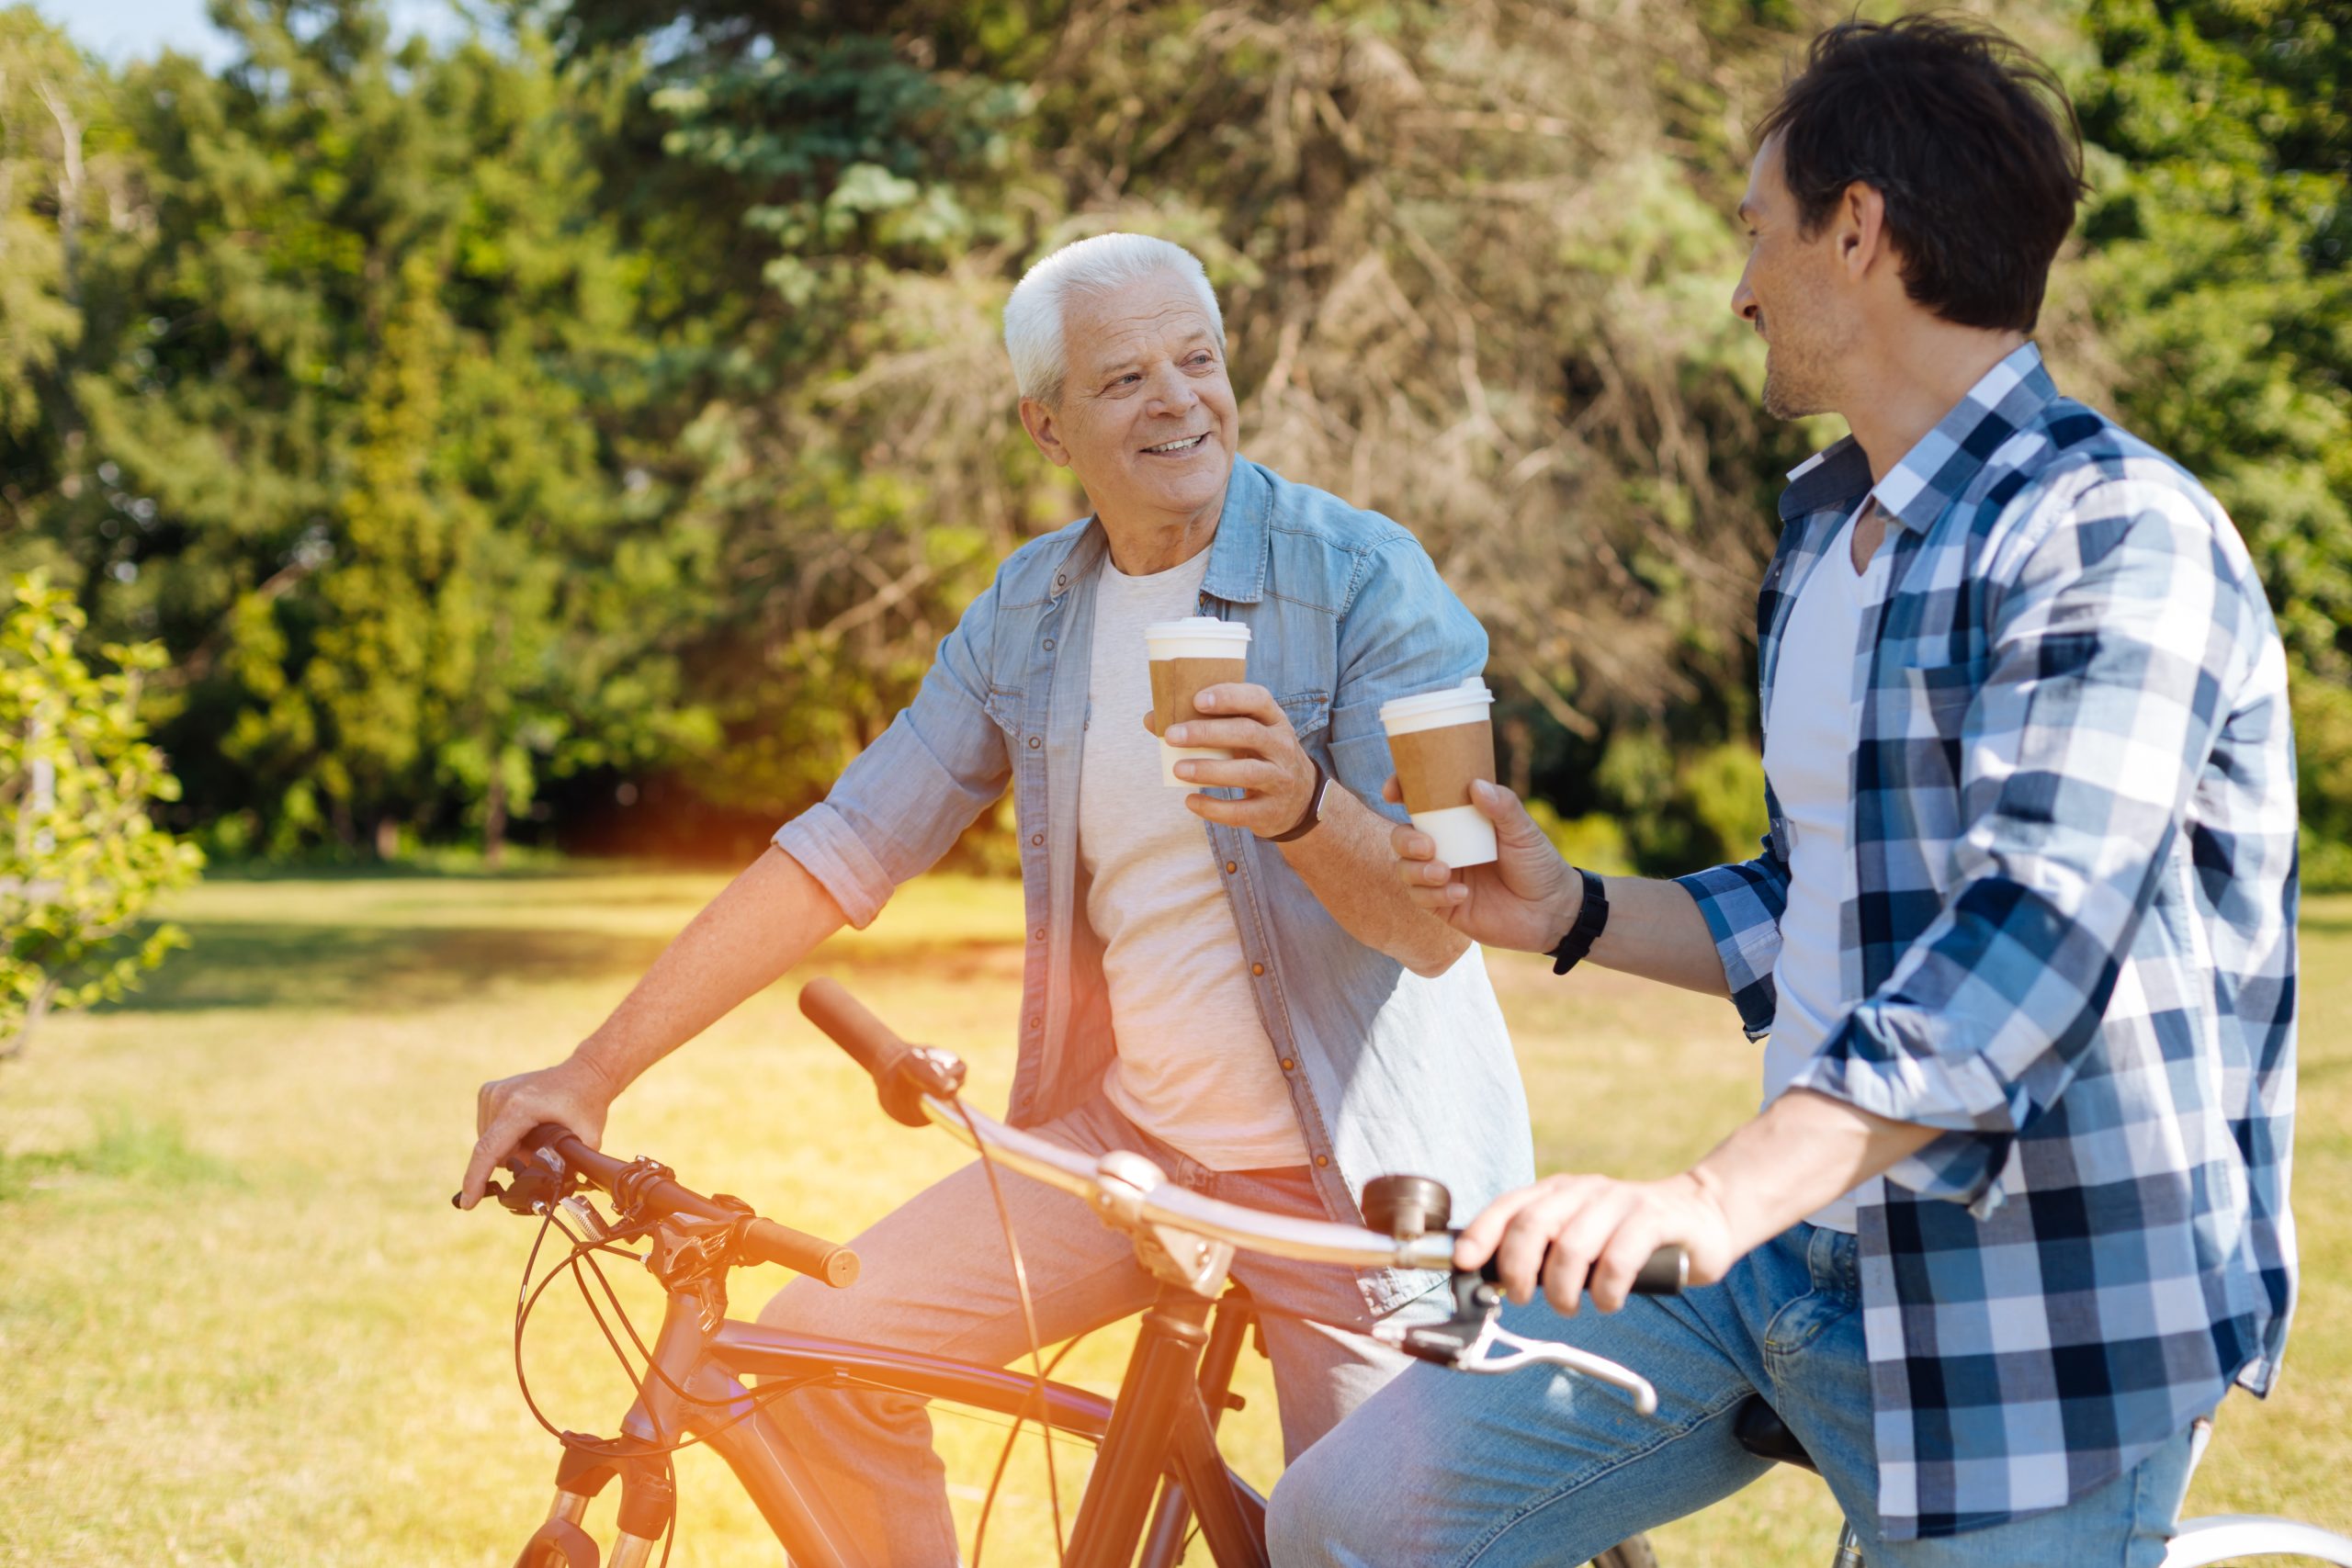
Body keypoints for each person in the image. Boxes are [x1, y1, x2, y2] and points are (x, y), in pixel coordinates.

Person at [1269, 17, 2298, 1567]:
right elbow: (1816, 892)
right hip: (1789, 1262)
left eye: (1759, 233)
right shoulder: (1829, 531)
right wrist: (1574, 912)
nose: (1741, 288)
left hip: (2033, 1322)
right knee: (1343, 1521)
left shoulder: (2110, 532)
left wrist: (1706, 1197)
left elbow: (2025, 950)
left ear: (1858, 229)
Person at [458, 232, 1532, 1562]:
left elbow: (1440, 925)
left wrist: (1304, 806)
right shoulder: (1031, 615)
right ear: (1047, 424)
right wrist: (591, 1071)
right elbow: (845, 846)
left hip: (1366, 1192)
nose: (1178, 399)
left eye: (1197, 359)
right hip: (1134, 1153)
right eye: (1124, 377)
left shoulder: (1362, 576)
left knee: (1349, 1542)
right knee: (820, 1358)